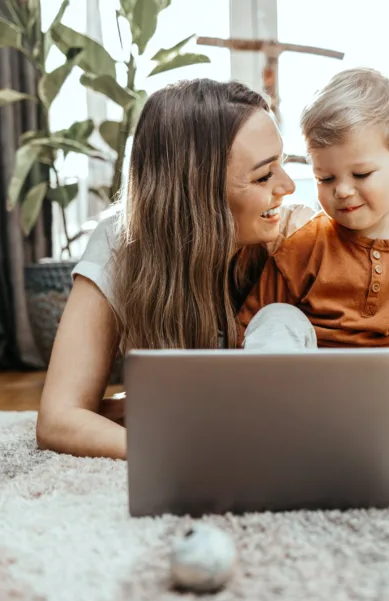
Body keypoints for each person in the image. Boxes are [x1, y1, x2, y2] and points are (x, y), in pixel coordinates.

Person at [36, 79, 313, 459]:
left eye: (282, 164)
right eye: (264, 176)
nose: (288, 186)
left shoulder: (297, 235)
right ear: (199, 192)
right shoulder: (122, 243)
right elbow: (59, 418)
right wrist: (178, 451)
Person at [237, 68, 389, 468]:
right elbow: (252, 325)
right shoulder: (304, 246)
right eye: (325, 177)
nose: (342, 190)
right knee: (276, 316)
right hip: (307, 399)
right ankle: (276, 422)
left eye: (361, 174)